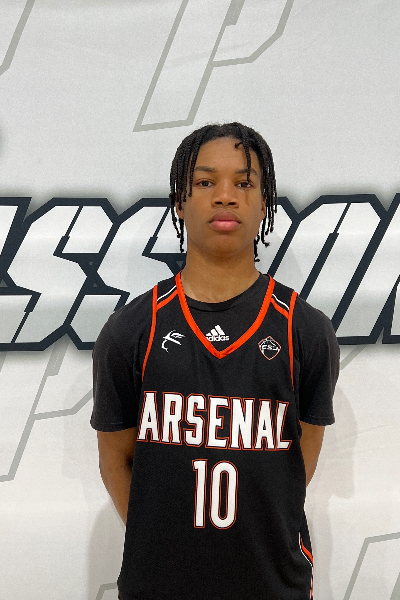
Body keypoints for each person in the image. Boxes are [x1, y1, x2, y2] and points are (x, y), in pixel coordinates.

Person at [91, 122, 340, 600]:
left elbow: (298, 462)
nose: (225, 196)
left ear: (264, 203)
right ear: (179, 202)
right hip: (158, 585)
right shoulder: (131, 330)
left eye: (244, 183)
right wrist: (162, 537)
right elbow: (115, 459)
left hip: (273, 583)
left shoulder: (304, 330)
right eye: (205, 182)